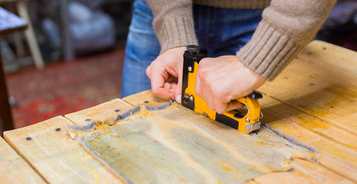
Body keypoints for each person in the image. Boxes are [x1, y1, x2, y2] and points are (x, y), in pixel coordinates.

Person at [121, 0, 336, 114]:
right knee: (131, 150)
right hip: (162, 8)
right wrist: (173, 30)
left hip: (269, 18)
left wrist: (258, 58)